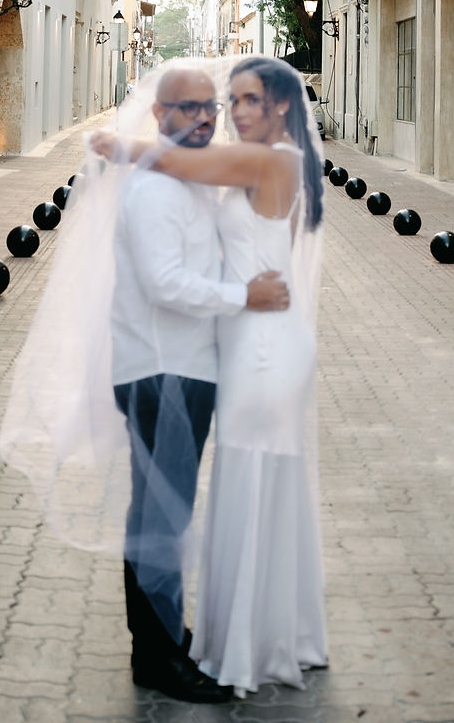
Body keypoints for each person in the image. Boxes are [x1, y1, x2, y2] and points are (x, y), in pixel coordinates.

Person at [91, 55, 328, 697]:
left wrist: (127, 144)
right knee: (163, 513)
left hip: (223, 358)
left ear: (278, 105)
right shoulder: (160, 181)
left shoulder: (244, 162)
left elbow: (185, 161)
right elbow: (166, 283)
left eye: (215, 106)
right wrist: (240, 297)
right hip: (167, 365)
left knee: (187, 504)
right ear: (160, 112)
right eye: (191, 107)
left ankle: (214, 633)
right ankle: (161, 653)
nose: (212, 117)